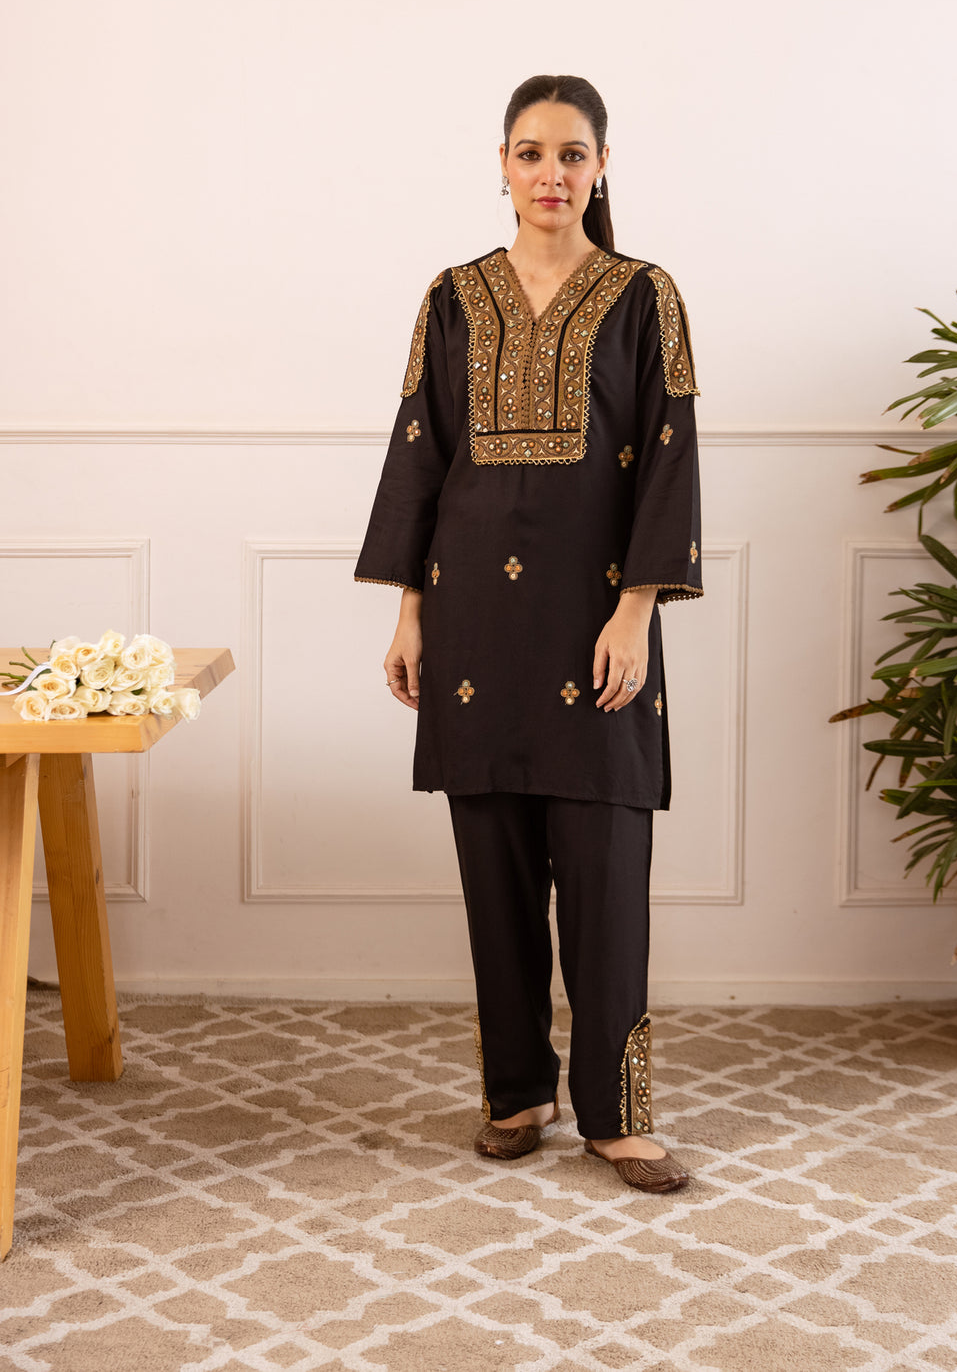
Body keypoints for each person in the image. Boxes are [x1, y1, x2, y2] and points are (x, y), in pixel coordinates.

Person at [354, 74, 702, 1193]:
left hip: (598, 620)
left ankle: (618, 1113)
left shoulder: (644, 295)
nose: (552, 173)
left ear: (602, 166)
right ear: (501, 165)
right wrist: (411, 612)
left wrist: (636, 610)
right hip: (474, 623)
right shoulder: (454, 298)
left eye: (572, 154)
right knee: (495, 872)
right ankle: (516, 1091)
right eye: (531, 152)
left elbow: (668, 455)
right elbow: (421, 452)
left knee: (605, 872)